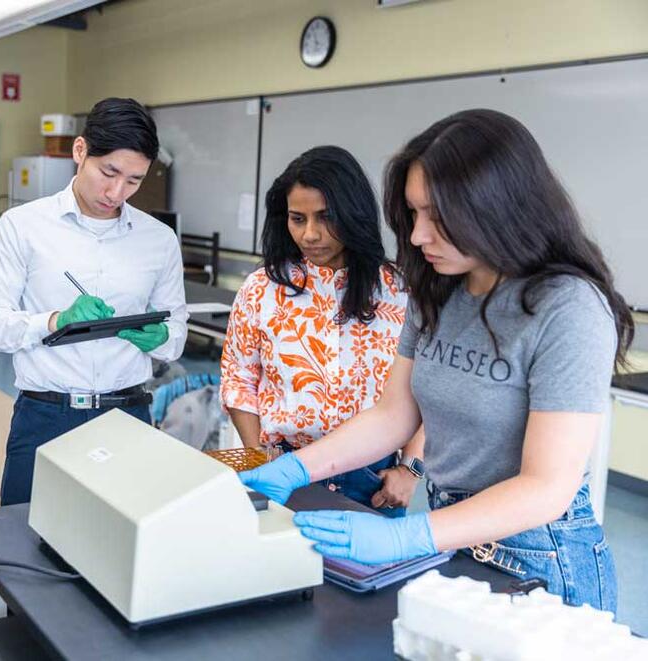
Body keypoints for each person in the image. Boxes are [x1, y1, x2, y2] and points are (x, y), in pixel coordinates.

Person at [240, 109, 633, 611]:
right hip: (453, 533)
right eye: (414, 214)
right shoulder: (440, 288)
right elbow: (393, 416)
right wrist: (297, 467)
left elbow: (546, 488)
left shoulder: (568, 307)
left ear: (498, 206)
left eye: (438, 217)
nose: (419, 235)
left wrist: (409, 537)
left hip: (540, 557)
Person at [0, 98, 188, 505]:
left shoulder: (158, 240)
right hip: (45, 418)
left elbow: (175, 337)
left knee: (123, 553)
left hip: (128, 415)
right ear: (80, 151)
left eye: (133, 181)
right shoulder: (22, 227)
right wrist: (54, 321)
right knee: (21, 547)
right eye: (109, 172)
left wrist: (157, 336)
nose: (116, 191)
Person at [221, 146, 422, 516]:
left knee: (370, 574)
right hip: (282, 467)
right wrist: (257, 458)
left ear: (353, 213)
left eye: (325, 218)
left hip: (374, 480)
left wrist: (410, 468)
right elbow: (239, 379)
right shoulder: (261, 289)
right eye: (298, 219)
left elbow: (426, 387)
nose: (310, 234)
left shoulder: (399, 290)